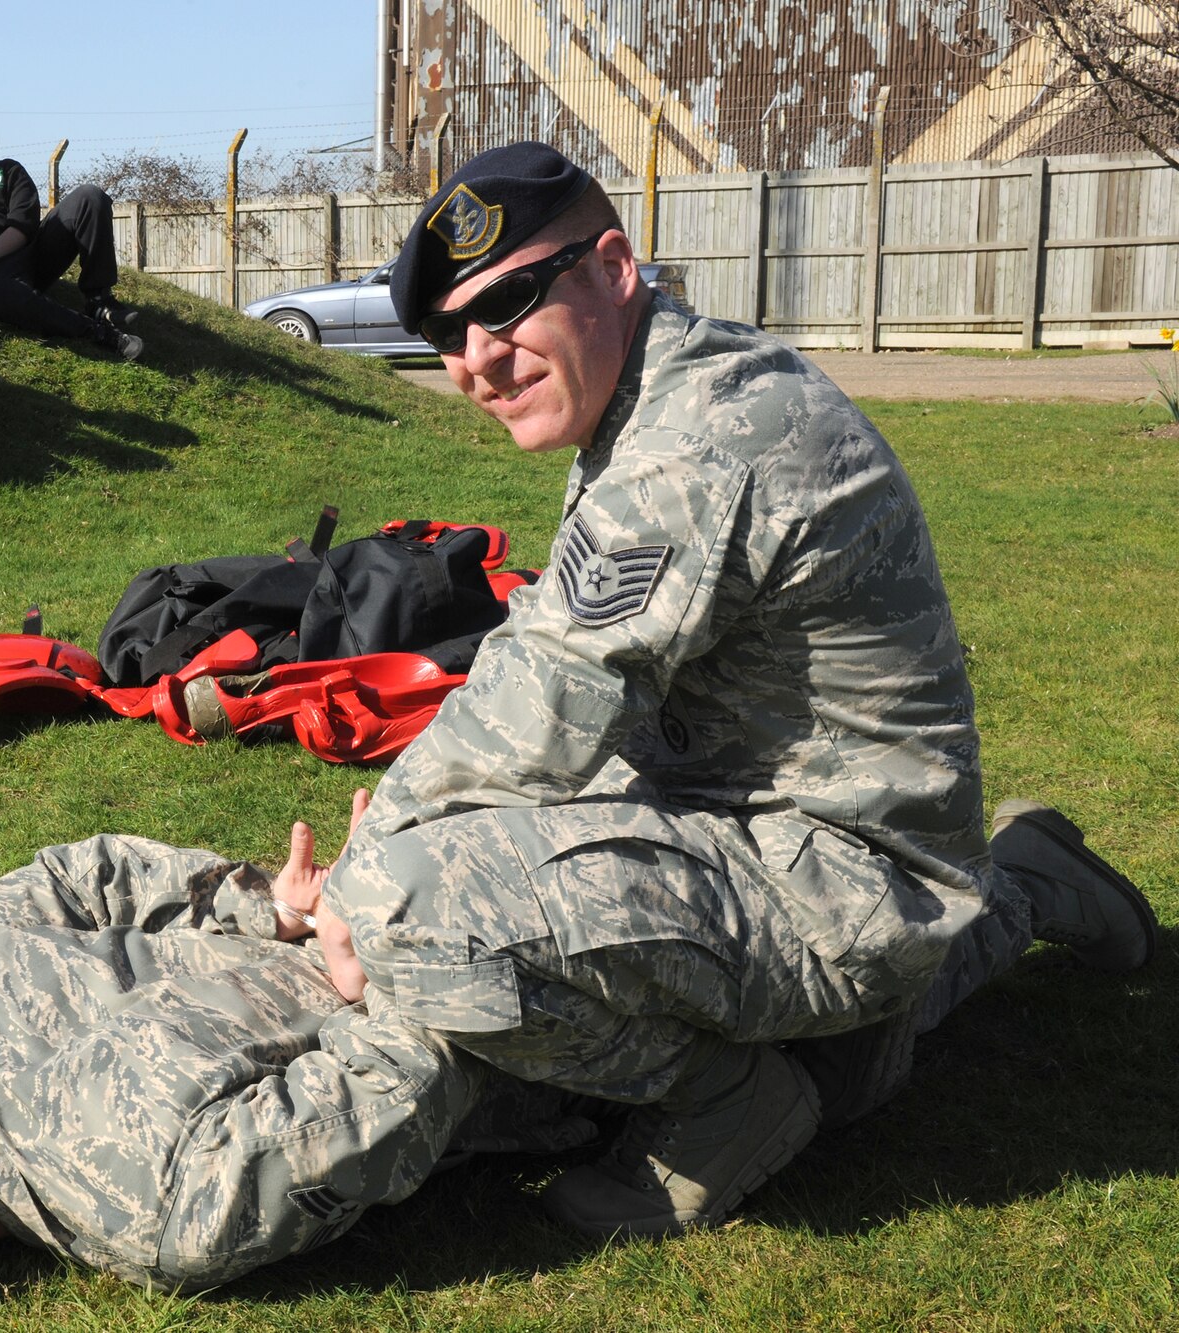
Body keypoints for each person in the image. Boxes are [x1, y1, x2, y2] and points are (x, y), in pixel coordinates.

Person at [286, 142, 1159, 1239]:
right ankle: (1017, 885)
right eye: (445, 335)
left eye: (506, 304)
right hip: (809, 828)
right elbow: (564, 681)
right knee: (830, 1025)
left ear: (611, 267)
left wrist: (362, 882)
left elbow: (543, 710)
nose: (477, 359)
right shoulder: (656, 392)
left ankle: (725, 1102)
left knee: (418, 909)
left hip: (842, 870)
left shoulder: (698, 438)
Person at [0, 822, 604, 1308]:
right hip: (468, 908)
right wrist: (279, 913)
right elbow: (87, 872)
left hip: (509, 971)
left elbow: (401, 1091)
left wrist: (351, 953)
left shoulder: (162, 1217)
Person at [0, 105, 144, 362]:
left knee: (89, 196)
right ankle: (99, 332)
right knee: (4, 295)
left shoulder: (8, 171)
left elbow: (22, 226)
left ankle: (99, 300)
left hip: (29, 255)